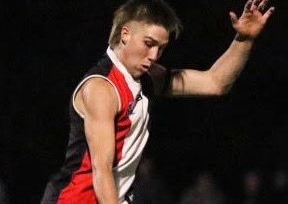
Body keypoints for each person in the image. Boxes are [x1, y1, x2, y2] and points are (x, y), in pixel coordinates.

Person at [40, 0, 275, 203]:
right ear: (125, 34)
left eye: (160, 48)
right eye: (149, 44)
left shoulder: (148, 77)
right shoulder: (102, 88)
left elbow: (215, 83)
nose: (153, 56)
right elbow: (101, 170)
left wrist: (244, 39)